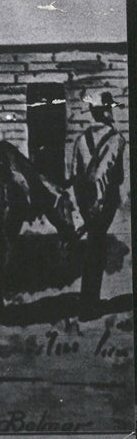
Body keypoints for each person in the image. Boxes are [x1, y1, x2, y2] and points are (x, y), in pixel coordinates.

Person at [70, 91, 127, 312]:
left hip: (85, 202)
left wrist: (84, 203)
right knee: (97, 246)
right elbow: (119, 176)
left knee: (92, 245)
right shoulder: (118, 139)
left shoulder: (81, 139)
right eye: (109, 108)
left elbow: (74, 174)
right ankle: (90, 302)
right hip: (105, 203)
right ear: (105, 112)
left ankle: (88, 298)